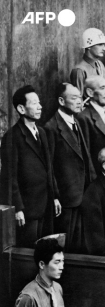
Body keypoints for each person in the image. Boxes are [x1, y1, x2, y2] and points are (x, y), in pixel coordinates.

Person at [0, 86, 60, 248]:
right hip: (27, 209)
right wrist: (17, 208)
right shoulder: (12, 137)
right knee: (28, 252)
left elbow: (49, 167)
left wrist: (54, 196)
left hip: (46, 204)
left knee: (46, 249)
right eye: (34, 103)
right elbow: (9, 176)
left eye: (39, 103)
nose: (40, 107)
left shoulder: (43, 132)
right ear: (21, 108)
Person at [44, 83, 96, 252]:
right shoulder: (51, 128)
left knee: (82, 244)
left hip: (83, 195)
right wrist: (55, 196)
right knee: (67, 246)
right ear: (61, 100)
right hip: (66, 199)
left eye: (80, 97)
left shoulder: (78, 122)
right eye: (74, 98)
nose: (79, 102)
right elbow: (49, 167)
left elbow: (85, 158)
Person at [70, 28, 105, 98]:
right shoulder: (79, 70)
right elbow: (79, 99)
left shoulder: (100, 65)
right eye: (100, 44)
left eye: (104, 45)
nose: (104, 48)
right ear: (89, 46)